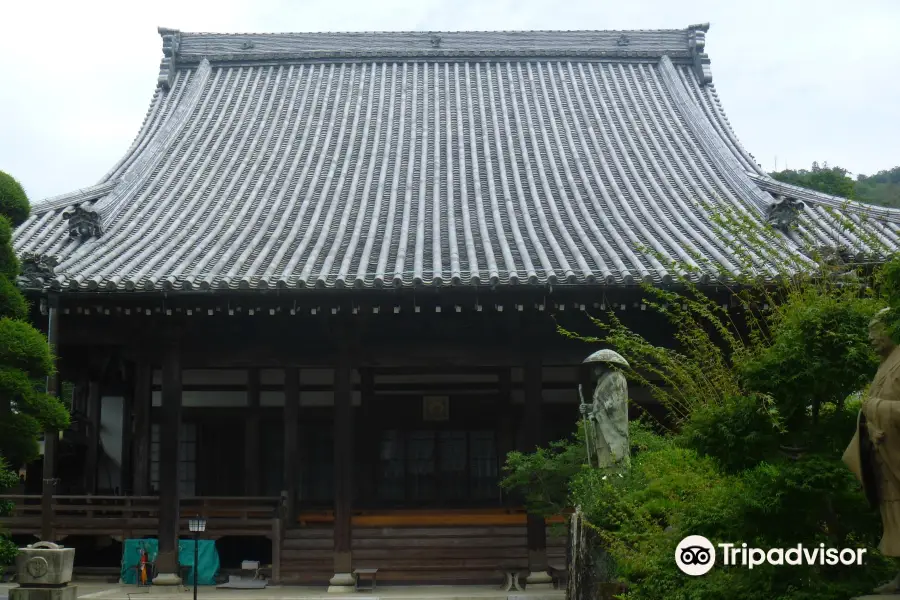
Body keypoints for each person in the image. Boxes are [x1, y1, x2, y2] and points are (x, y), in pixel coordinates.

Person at [844, 308, 900, 594]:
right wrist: (869, 422)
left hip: (896, 453)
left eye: (875, 330)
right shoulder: (885, 364)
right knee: (893, 514)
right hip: (884, 453)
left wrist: (873, 408)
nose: (870, 338)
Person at [578, 349, 631, 471]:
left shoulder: (615, 377)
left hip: (611, 426)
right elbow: (601, 404)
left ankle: (615, 481)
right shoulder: (602, 381)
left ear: (604, 364)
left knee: (614, 459)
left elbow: (613, 404)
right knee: (605, 458)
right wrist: (589, 407)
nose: (594, 368)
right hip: (602, 425)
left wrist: (594, 412)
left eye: (596, 365)